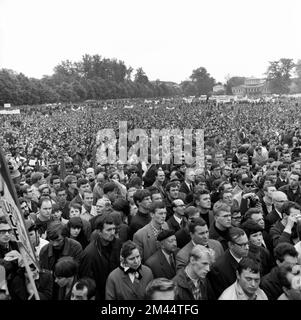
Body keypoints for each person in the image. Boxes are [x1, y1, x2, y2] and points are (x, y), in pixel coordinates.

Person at [80, 214, 122, 300]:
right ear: (99, 232)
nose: (113, 233)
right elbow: (88, 283)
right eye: (109, 230)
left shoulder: (118, 243)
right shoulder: (89, 253)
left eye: (114, 229)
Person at [208, 227, 249, 299]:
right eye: (242, 245)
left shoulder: (250, 256)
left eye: (247, 243)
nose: (247, 247)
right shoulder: (219, 269)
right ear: (231, 245)